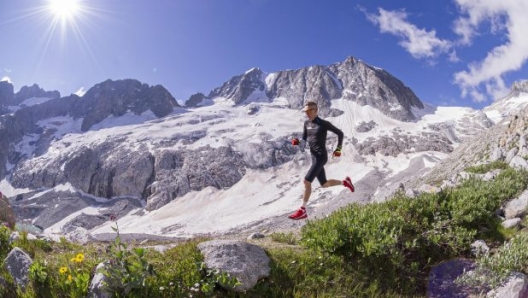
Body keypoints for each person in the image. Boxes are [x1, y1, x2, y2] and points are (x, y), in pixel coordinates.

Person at [289, 101, 354, 220]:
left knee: (306, 181)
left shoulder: (324, 124)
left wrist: (338, 149)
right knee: (324, 184)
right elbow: (304, 140)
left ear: (316, 110)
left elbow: (340, 133)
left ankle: (302, 210)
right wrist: (297, 142)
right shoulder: (306, 123)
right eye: (306, 111)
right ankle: (345, 182)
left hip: (321, 157)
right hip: (313, 157)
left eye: (309, 111)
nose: (307, 113)